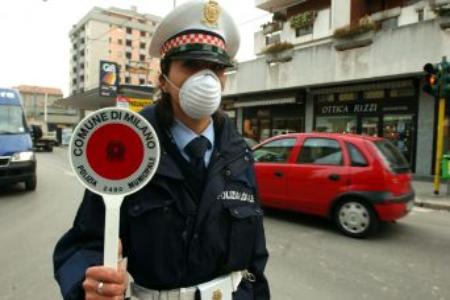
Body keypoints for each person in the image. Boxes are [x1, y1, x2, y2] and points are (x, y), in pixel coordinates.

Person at [53, 1, 270, 299]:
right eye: (191, 65)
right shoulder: (129, 146)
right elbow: (83, 244)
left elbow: (256, 257)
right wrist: (91, 281)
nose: (205, 79)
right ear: (163, 79)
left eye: (216, 68)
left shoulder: (239, 152)